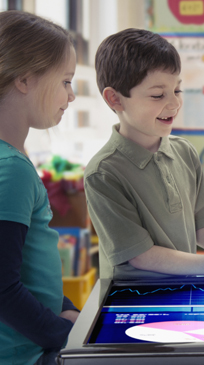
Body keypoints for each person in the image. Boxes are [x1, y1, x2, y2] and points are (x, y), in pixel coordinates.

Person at [86, 28, 204, 281]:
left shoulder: (185, 151)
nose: (174, 103)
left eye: (177, 90)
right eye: (158, 94)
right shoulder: (103, 173)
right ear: (115, 99)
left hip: (183, 291)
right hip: (133, 299)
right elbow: (141, 255)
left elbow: (201, 227)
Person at [0, 10, 80, 365]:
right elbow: (2, 287)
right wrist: (66, 334)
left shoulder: (13, 160)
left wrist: (64, 308)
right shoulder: (11, 169)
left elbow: (25, 269)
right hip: (22, 355)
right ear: (24, 79)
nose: (72, 95)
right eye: (65, 81)